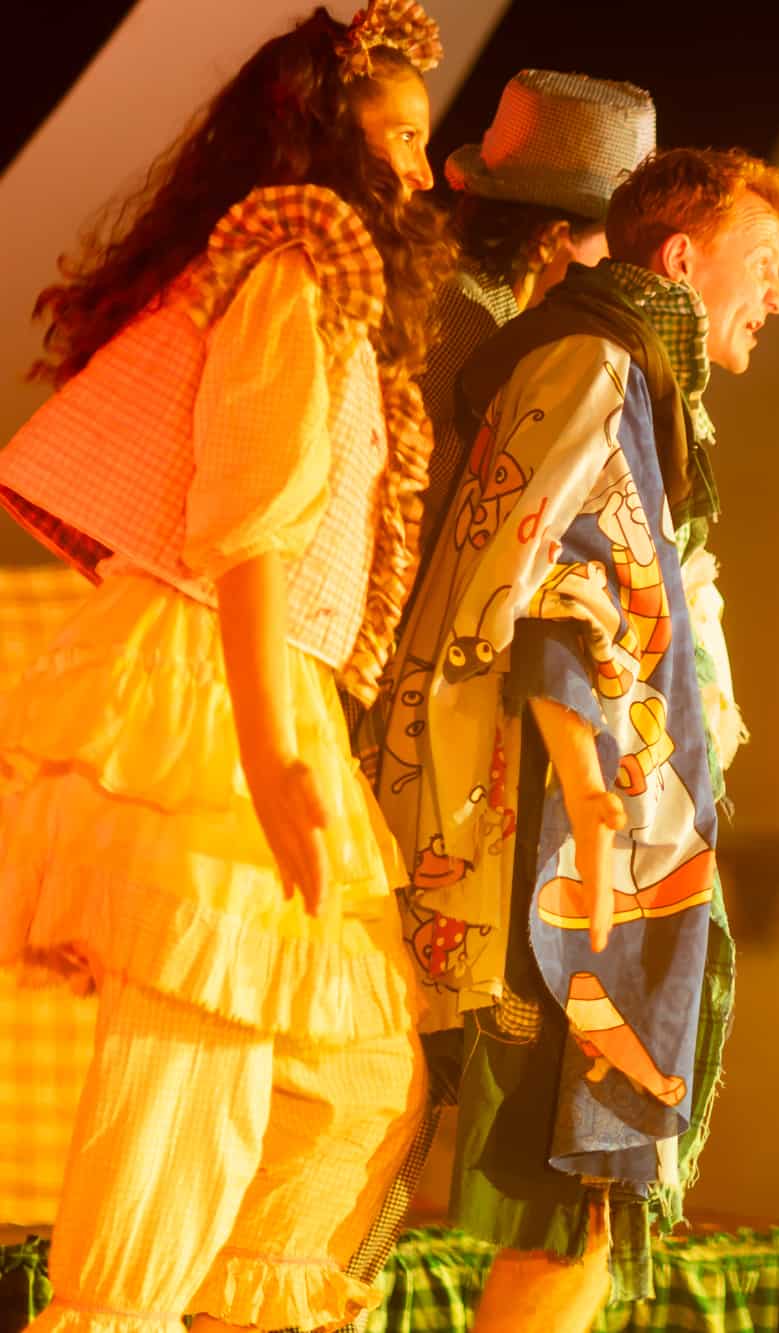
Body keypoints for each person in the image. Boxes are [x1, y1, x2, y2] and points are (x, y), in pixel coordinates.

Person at [0, 3, 453, 1329]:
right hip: (213, 677)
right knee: (193, 1069)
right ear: (327, 136)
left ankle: (232, 1310)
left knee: (354, 1076)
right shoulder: (293, 272)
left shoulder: (334, 291)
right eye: (404, 139)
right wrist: (267, 754)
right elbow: (244, 532)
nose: (419, 173)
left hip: (265, 681)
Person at [363, 146, 779, 1331]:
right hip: (558, 845)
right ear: (677, 258)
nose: (776, 297)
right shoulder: (595, 360)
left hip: (579, 829)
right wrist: (589, 783)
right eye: (758, 266)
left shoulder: (625, 372)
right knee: (572, 1190)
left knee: (547, 1186)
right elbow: (552, 573)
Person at [414, 69, 657, 573]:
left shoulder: (479, 304)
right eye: (609, 251)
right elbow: (424, 498)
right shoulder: (469, 313)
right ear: (552, 237)